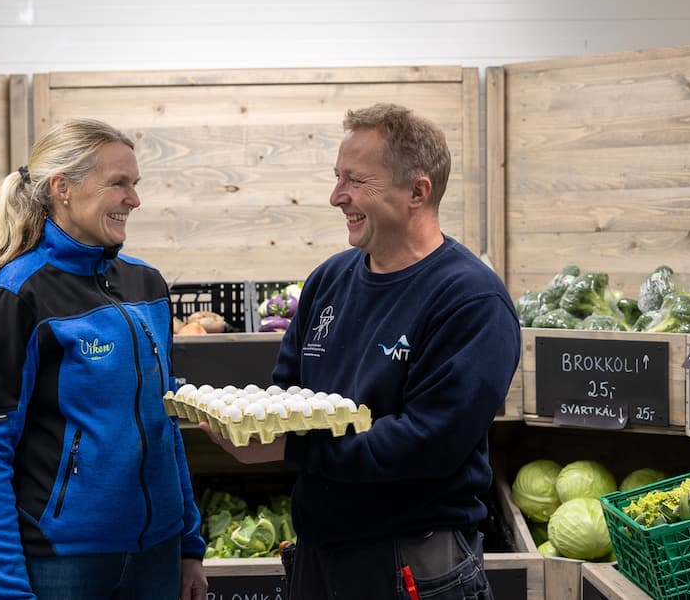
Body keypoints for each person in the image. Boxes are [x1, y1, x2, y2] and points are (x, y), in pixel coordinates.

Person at [203, 103, 520, 599]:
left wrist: (291, 446)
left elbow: (429, 441)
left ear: (417, 191)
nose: (336, 197)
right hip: (317, 556)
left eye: (356, 180)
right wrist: (255, 422)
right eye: (337, 178)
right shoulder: (329, 279)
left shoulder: (469, 298)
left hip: (410, 565)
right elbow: (289, 392)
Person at [0, 118, 208, 600]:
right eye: (118, 183)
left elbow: (166, 423)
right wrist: (9, 588)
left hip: (158, 553)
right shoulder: (16, 298)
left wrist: (189, 543)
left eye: (135, 184)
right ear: (62, 188)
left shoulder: (148, 286)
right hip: (64, 563)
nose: (134, 199)